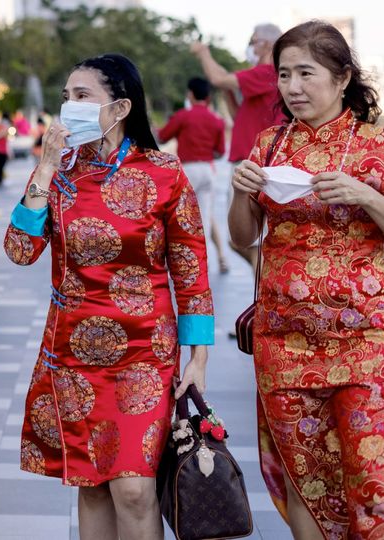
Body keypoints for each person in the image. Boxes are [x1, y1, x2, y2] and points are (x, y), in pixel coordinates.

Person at [4, 53, 213, 540]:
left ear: (119, 109)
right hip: (72, 354)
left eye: (82, 97)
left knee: (135, 490)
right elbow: (19, 250)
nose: (68, 107)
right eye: (66, 97)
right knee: (93, 484)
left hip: (145, 354)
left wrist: (198, 358)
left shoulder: (165, 173)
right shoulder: (60, 173)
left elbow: (191, 271)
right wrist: (46, 166)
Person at [229, 20, 384, 539]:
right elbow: (241, 238)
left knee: (372, 481)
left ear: (342, 78)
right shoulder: (270, 144)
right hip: (285, 341)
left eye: (306, 73)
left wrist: (365, 195)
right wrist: (239, 193)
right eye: (284, 74)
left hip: (367, 342)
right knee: (306, 479)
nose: (292, 87)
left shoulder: (374, 144)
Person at [192, 23, 283, 270]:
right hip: (249, 160)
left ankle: (260, 281)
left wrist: (203, 52)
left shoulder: (266, 71)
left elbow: (217, 78)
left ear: (265, 43)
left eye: (253, 41)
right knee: (243, 240)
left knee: (244, 238)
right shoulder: (262, 78)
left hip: (252, 162)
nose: (250, 47)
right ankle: (259, 272)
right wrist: (228, 92)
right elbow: (238, 114)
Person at [159, 77, 229, 273]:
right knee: (204, 218)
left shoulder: (184, 115)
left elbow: (163, 136)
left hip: (188, 170)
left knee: (177, 216)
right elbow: (220, 151)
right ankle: (201, 263)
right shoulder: (216, 120)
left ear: (190, 93)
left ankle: (175, 262)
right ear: (208, 96)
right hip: (208, 170)